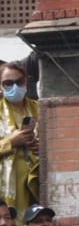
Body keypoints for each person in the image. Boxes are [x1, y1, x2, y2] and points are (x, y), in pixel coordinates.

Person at [0, 63, 39, 216]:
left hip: (37, 182)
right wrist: (11, 142)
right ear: (0, 87)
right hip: (7, 187)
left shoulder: (40, 109)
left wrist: (42, 147)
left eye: (19, 81)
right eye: (8, 83)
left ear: (26, 82)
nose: (15, 87)